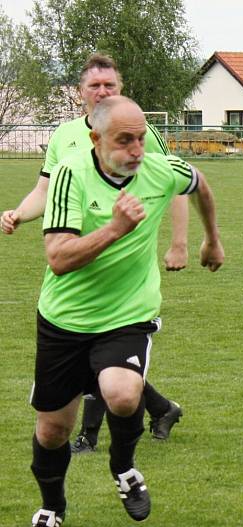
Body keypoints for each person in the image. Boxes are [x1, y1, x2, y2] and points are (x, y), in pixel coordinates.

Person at [28, 95, 224, 527]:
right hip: (64, 319)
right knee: (53, 432)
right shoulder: (68, 175)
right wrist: (115, 228)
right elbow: (58, 257)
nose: (137, 149)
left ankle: (124, 467)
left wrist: (211, 239)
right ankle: (52, 505)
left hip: (127, 314)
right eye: (125, 140)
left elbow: (199, 183)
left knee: (121, 393)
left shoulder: (159, 169)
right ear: (97, 140)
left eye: (140, 138)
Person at [1, 53, 186, 450]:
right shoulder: (64, 136)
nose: (102, 92)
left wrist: (178, 243)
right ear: (80, 93)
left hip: (120, 262)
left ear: (120, 90)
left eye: (110, 86)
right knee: (94, 350)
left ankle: (91, 435)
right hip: (76, 254)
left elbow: (174, 182)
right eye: (94, 86)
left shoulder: (142, 133)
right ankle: (159, 407)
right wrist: (20, 213)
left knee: (104, 346)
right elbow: (44, 191)